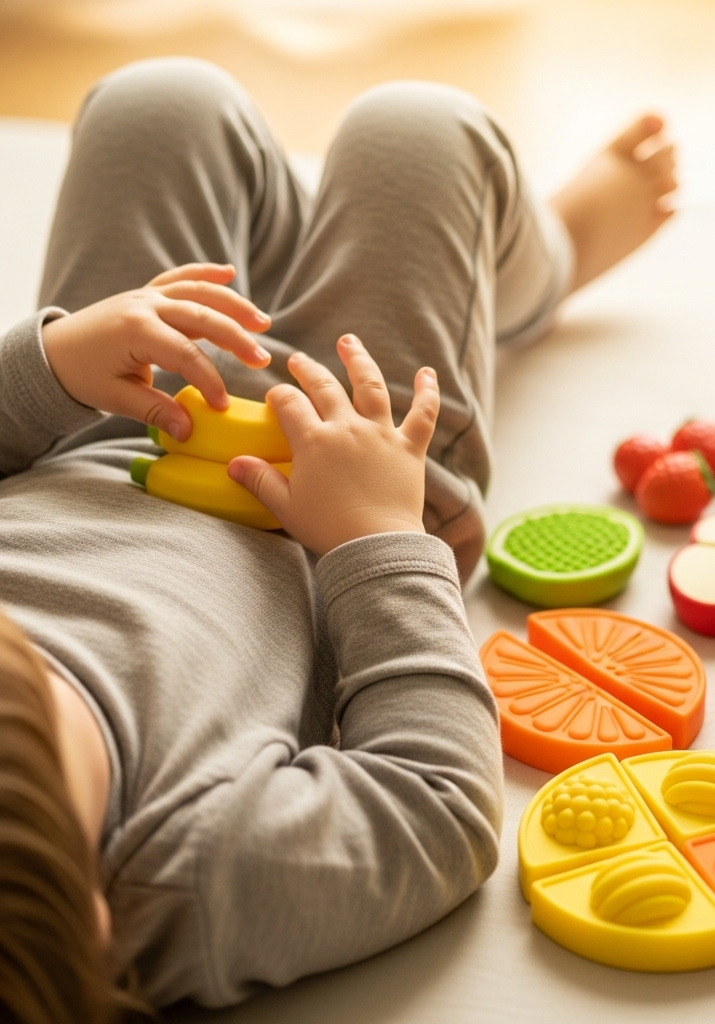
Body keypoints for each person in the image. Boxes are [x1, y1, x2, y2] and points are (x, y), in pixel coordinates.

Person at [0, 58, 677, 1020]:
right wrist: (380, 532)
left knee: (158, 103)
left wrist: (50, 366)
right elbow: (437, 802)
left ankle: (302, 265)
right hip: (346, 489)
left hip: (106, 419)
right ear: (98, 920)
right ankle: (539, 259)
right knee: (424, 132)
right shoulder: (200, 877)